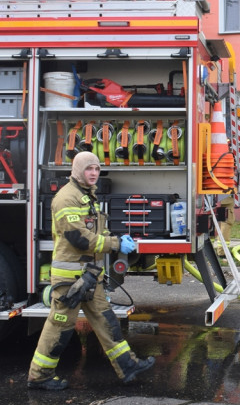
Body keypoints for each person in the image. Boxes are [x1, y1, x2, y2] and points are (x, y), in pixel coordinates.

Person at [28, 151, 154, 390]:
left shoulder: (86, 196)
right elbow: (80, 239)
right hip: (70, 279)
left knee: (107, 321)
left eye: (96, 169)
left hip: (88, 275)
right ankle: (40, 375)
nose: (94, 173)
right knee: (60, 326)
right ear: (77, 171)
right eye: (89, 169)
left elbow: (96, 232)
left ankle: (127, 366)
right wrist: (116, 245)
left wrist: (114, 237)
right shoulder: (67, 199)